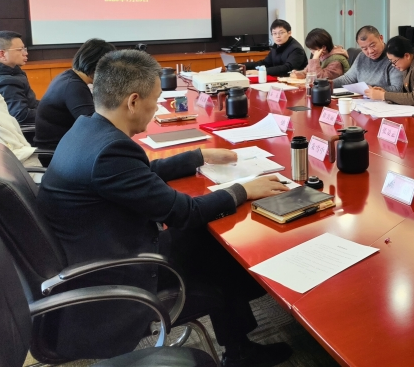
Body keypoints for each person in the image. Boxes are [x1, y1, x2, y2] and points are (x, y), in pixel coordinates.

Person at [37, 50, 292, 366]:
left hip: (98, 246)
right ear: (133, 101)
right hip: (118, 270)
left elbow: (138, 175)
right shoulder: (110, 152)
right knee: (222, 256)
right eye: (155, 100)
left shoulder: (88, 129)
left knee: (208, 242)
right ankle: (239, 351)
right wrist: (242, 189)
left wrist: (197, 156)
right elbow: (184, 212)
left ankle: (239, 346)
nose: (157, 107)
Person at [34, 38, 116, 152]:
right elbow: (95, 126)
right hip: (58, 152)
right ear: (97, 65)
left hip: (64, 146)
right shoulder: (74, 87)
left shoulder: (68, 77)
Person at [332, 25, 404, 91]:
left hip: (382, 99)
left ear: (381, 38)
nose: (370, 51)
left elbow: (398, 89)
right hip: (362, 98)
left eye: (372, 45)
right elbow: (348, 78)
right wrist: (329, 83)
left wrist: (373, 90)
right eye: (364, 48)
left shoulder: (394, 57)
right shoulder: (361, 56)